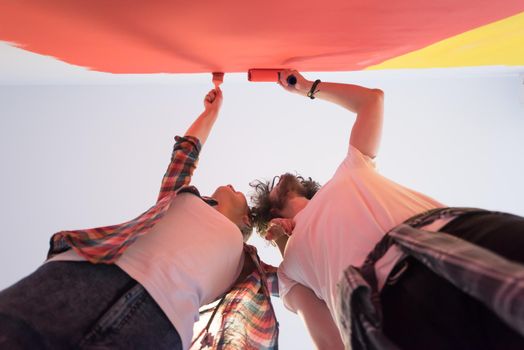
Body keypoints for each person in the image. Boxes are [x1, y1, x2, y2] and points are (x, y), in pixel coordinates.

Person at [250, 70, 524, 350]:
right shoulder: (289, 271)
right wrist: (283, 243)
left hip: (453, 234)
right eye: (270, 193)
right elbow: (331, 344)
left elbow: (372, 101)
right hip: (384, 307)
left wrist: (309, 87)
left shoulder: (350, 169)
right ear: (272, 214)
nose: (276, 181)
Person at [0, 86, 279, 350]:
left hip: (156, 325)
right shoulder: (179, 198)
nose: (232, 185)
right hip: (84, 276)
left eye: (239, 194)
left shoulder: (246, 265)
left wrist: (282, 236)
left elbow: (300, 277)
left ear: (245, 221)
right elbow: (183, 156)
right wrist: (211, 113)